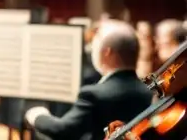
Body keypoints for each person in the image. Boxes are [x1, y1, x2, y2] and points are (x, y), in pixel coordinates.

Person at [25, 21, 154, 140]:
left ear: (107, 53)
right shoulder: (150, 92)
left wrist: (37, 116)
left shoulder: (93, 94)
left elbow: (64, 130)